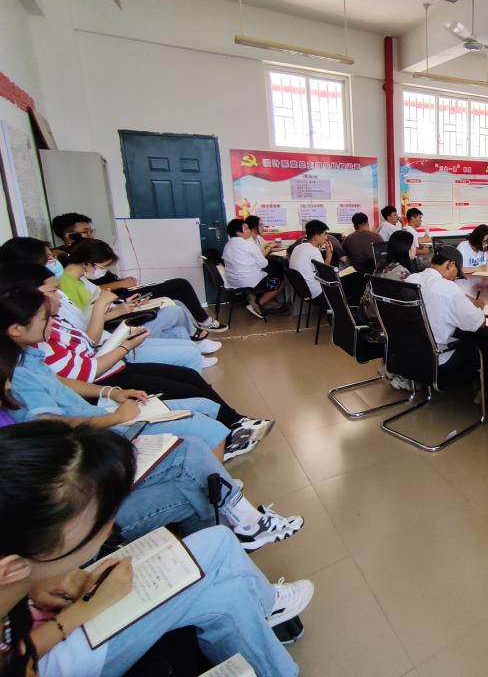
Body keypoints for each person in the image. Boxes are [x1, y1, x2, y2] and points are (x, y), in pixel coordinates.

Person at [0, 421, 311, 677]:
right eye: (98, 521)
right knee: (217, 542)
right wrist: (85, 610)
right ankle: (265, 601)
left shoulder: (18, 568)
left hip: (44, 618)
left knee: (227, 596)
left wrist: (36, 586)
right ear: (14, 567)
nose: (109, 527)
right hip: (60, 654)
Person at [0, 267, 272, 460]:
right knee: (186, 374)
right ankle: (229, 432)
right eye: (53, 291)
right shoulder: (26, 361)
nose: (59, 297)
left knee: (188, 373)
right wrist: (122, 348)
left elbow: (70, 366)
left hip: (106, 374)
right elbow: (80, 375)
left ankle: (236, 421)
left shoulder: (39, 338)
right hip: (104, 383)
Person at [49, 213, 228, 332]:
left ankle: (196, 332)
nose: (91, 236)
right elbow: (93, 300)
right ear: (69, 236)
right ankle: (201, 325)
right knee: (179, 287)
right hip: (116, 298)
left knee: (176, 298)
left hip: (119, 296)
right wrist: (120, 285)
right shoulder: (70, 263)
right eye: (85, 232)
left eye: (91, 231)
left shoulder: (83, 261)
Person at [55, 242, 221, 364]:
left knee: (175, 317)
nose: (103, 271)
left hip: (114, 317)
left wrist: (123, 306)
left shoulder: (82, 280)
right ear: (87, 263)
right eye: (103, 267)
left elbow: (99, 310)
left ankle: (194, 349)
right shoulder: (66, 287)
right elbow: (90, 322)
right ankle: (194, 348)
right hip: (111, 329)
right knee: (174, 310)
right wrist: (116, 309)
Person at [403, 247, 485, 388]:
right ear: (450, 265)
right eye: (457, 274)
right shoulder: (448, 288)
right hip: (437, 358)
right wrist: (478, 307)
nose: (454, 279)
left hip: (409, 353)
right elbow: (479, 323)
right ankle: (484, 392)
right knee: (483, 345)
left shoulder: (411, 279)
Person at [360, 230, 417, 342]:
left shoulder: (382, 265)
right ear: (407, 249)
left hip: (369, 313)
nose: (415, 248)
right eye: (413, 244)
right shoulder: (402, 273)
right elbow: (413, 299)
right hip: (384, 320)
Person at [222, 218, 284, 318]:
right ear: (238, 232)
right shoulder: (248, 245)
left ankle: (258, 300)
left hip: (233, 282)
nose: (249, 231)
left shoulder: (228, 245)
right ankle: (258, 304)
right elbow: (264, 264)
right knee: (280, 281)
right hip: (248, 281)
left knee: (270, 273)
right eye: (246, 229)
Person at [288, 219, 333, 301]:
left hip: (302, 291)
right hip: (316, 293)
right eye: (324, 234)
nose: (326, 237)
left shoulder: (298, 247)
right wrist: (329, 256)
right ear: (316, 237)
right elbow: (324, 274)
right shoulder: (313, 250)